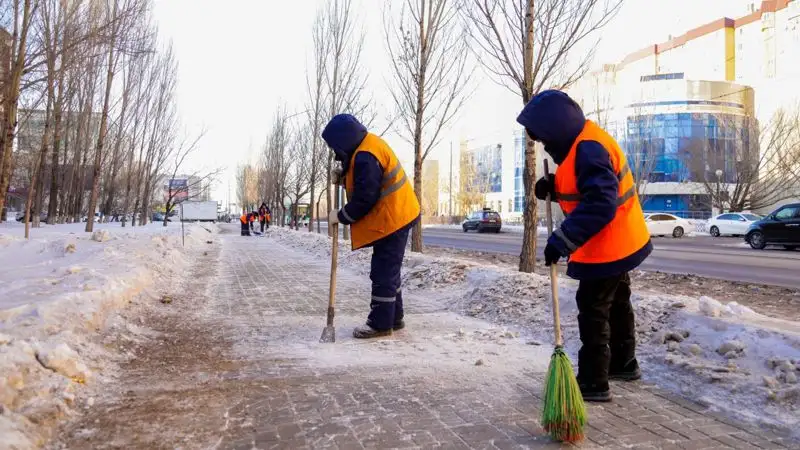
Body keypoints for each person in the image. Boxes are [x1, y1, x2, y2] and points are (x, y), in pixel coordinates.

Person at [516, 90, 653, 402]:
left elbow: (601, 203)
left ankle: (593, 381)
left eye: (545, 139)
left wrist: (563, 240)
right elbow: (582, 187)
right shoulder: (585, 143)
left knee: (593, 310)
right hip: (620, 241)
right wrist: (553, 188)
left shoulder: (589, 149)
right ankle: (623, 363)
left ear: (558, 128)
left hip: (607, 245)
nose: (546, 147)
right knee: (617, 303)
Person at [322, 113, 421, 339]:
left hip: (394, 218)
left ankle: (380, 324)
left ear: (344, 140)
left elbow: (365, 199)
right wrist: (344, 172)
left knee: (383, 271)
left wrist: (341, 215)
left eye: (336, 147)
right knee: (388, 269)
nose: (335, 153)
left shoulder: (366, 156)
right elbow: (363, 178)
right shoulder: (367, 145)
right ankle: (394, 317)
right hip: (396, 215)